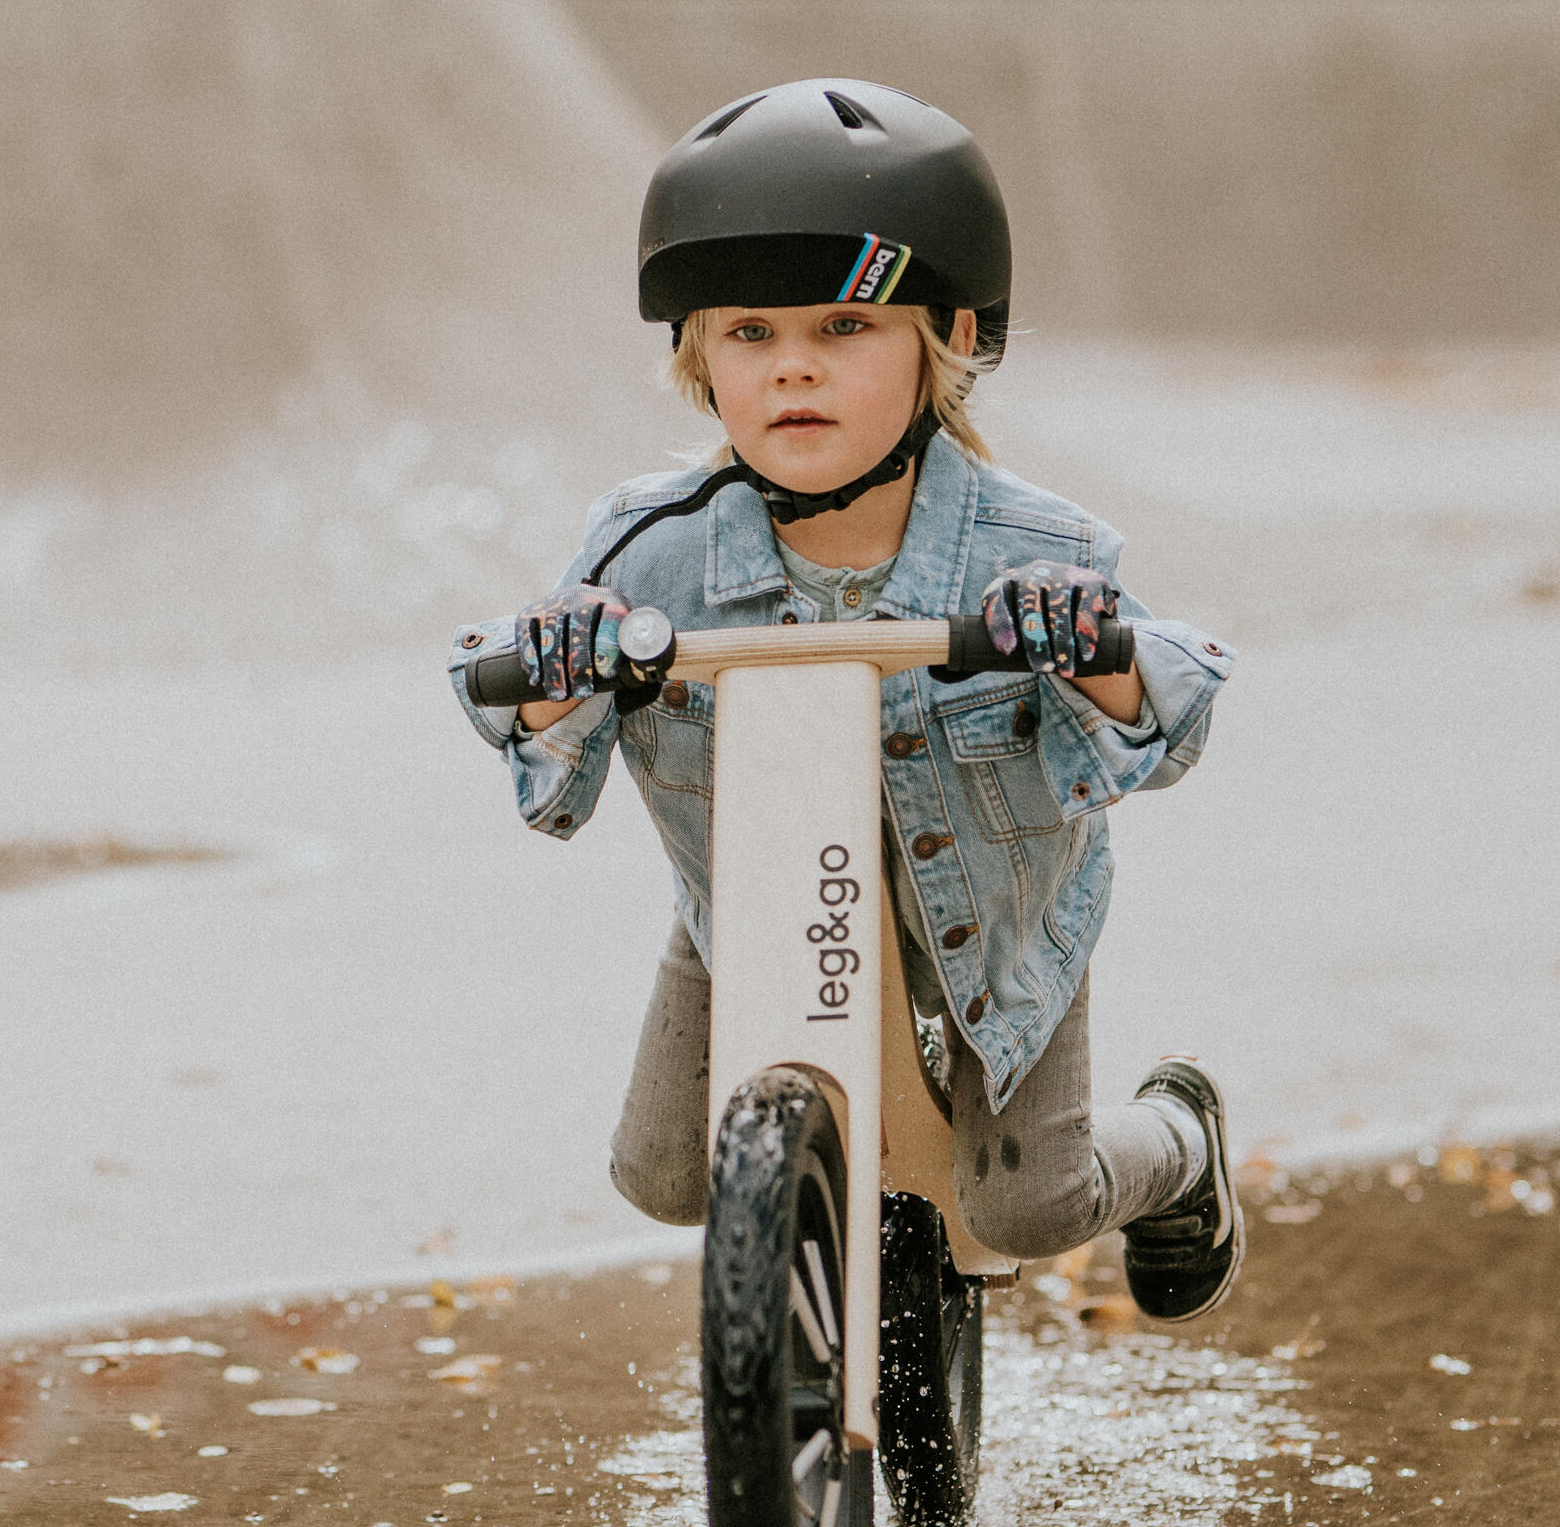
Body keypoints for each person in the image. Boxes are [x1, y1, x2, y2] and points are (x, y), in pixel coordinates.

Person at [448, 78, 1244, 1321]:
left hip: (995, 916)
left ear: (950, 341)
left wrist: (1088, 646)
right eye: (751, 334)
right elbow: (540, 746)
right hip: (754, 902)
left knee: (1027, 1205)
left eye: (844, 328)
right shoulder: (646, 553)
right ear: (696, 355)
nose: (794, 370)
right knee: (661, 1170)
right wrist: (554, 671)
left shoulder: (1028, 545)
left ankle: (1183, 1142)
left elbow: (1170, 714)